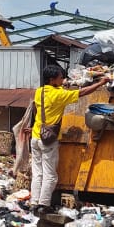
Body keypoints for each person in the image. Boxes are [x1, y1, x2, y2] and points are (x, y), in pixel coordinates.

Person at [27, 65, 108, 215]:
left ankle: (34, 203)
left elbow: (54, 92)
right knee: (50, 174)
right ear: (52, 79)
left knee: (37, 173)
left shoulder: (40, 91)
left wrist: (63, 85)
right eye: (60, 77)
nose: (63, 79)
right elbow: (82, 92)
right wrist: (101, 83)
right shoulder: (59, 95)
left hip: (36, 136)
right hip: (48, 140)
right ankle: (44, 204)